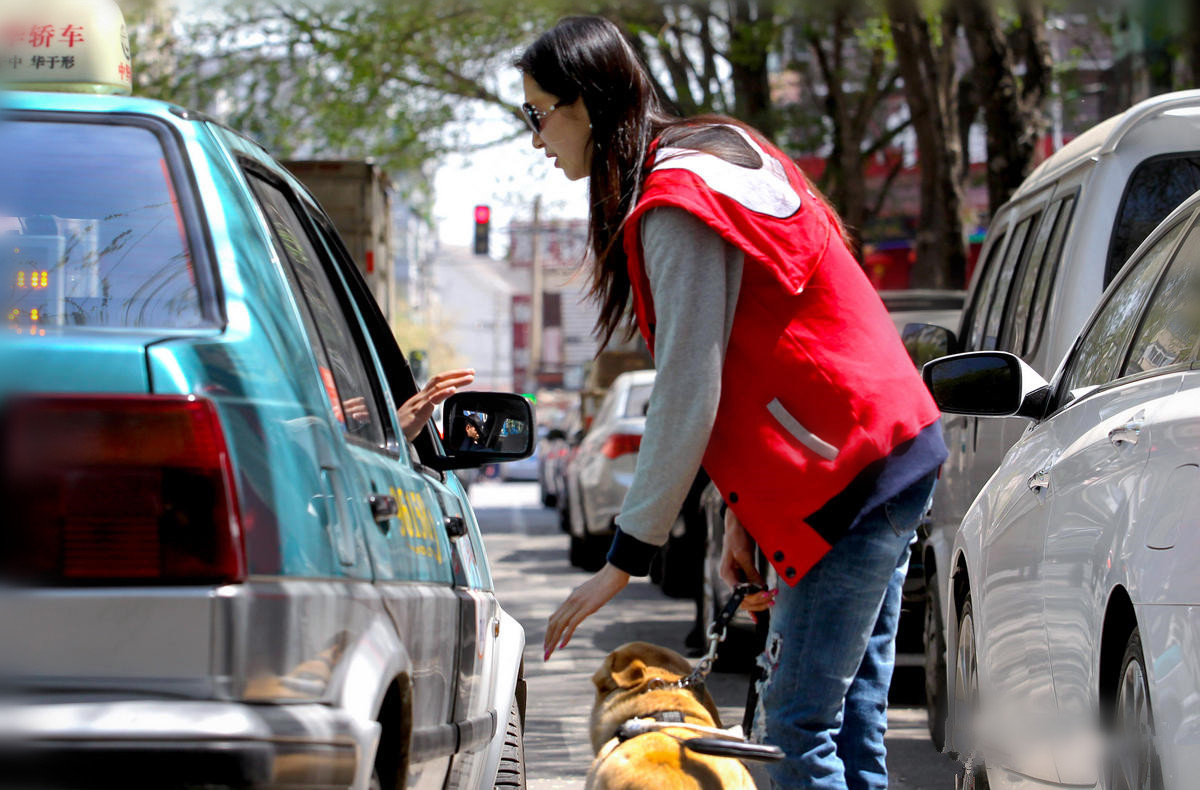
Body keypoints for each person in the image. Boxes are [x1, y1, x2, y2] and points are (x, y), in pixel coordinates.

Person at [517, 17, 948, 790]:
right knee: (847, 725)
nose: (536, 138)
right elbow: (765, 347)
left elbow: (690, 381)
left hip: (844, 468)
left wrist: (624, 560)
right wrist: (745, 515)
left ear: (583, 102)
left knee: (793, 730)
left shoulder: (677, 199)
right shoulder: (705, 151)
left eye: (537, 114)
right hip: (878, 446)